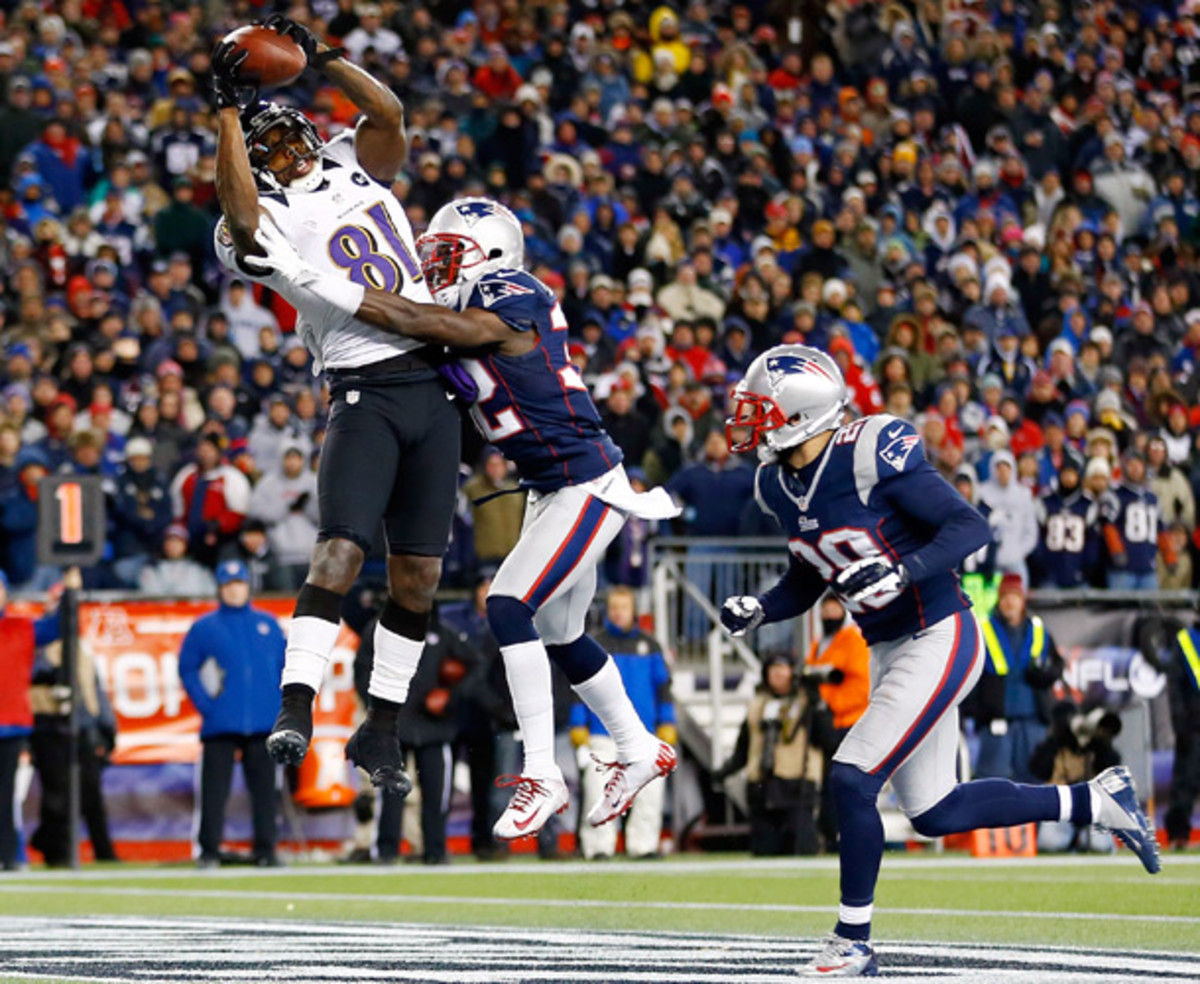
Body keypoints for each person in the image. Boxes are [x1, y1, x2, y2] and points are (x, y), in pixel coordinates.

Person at [718, 344, 1159, 977]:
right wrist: (761, 608)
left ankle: (853, 941)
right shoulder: (777, 483)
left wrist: (901, 570)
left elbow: (969, 526)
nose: (748, 420)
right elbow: (811, 570)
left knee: (850, 776)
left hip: (940, 630)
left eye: (759, 409)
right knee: (934, 812)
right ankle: (1095, 801)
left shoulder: (868, 452)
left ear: (798, 414)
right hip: (889, 646)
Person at [248, 197, 680, 841]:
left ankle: (541, 772)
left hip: (587, 482)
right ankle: (637, 745)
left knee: (507, 604)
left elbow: (414, 317)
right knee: (562, 633)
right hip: (548, 487)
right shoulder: (464, 302)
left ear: (494, 255)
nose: (434, 264)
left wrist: (308, 275)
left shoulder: (512, 292)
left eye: (449, 253)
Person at [210, 16, 462, 795]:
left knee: (419, 577)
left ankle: (381, 728)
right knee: (340, 553)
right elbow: (244, 219)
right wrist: (226, 111)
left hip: (434, 384)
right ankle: (297, 706)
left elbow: (389, 117)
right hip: (364, 392)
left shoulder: (357, 162)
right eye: (271, 148)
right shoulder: (256, 216)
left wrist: (323, 58)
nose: (290, 148)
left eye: (293, 135)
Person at [179, 560, 287, 868]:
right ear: (220, 589)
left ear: (247, 586)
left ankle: (266, 849)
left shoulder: (267, 624)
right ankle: (209, 850)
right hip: (220, 723)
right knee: (214, 792)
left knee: (266, 791)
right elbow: (188, 669)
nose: (234, 590)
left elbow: (284, 667)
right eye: (228, 585)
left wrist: (279, 705)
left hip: (264, 722)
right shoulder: (205, 627)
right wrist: (207, 706)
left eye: (238, 583)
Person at [352, 604, 477, 865]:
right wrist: (379, 708)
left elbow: (477, 665)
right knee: (389, 792)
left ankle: (435, 850)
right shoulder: (380, 629)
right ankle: (385, 850)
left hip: (435, 727)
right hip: (393, 726)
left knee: (436, 794)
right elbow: (362, 670)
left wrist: (451, 696)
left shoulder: (443, 633)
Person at [572, 586, 676, 860]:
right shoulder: (594, 643)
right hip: (601, 732)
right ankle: (597, 847)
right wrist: (577, 723)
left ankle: (643, 846)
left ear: (634, 611)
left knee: (650, 793)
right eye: (614, 607)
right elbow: (580, 686)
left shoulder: (651, 646)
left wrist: (668, 721)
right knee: (599, 790)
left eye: (624, 607)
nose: (619, 613)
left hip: (644, 733)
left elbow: (663, 686)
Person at [713, 654, 831, 856]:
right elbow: (744, 747)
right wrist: (724, 771)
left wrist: (817, 704)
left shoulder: (807, 702)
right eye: (773, 668)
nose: (777, 673)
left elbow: (826, 740)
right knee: (765, 850)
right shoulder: (757, 704)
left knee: (801, 849)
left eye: (783, 667)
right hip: (761, 785)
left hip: (797, 785)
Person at [969, 574, 1064, 783]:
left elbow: (1058, 666)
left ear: (1023, 600)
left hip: (1033, 722)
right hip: (996, 722)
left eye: (1014, 596)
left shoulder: (1038, 628)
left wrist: (1044, 674)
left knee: (1034, 783)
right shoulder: (983, 629)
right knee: (991, 785)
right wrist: (978, 711)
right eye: (1005, 597)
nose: (1009, 602)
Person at [0, 570, 62, 870]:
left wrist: (66, 599)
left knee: (6, 794)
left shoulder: (21, 627)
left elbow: (57, 628)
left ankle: (11, 855)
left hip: (11, 723)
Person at [804, 594, 871, 850]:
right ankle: (831, 833)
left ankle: (845, 833)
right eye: (826, 611)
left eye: (834, 610)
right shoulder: (820, 644)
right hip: (828, 721)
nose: (829, 616)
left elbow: (860, 685)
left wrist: (830, 704)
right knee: (831, 783)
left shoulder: (852, 641)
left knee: (845, 782)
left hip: (847, 721)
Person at [1100, 450, 1168, 591]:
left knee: (1149, 611)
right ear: (1124, 468)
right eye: (1131, 465)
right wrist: (1117, 550)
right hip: (1123, 569)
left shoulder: (1152, 498)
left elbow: (1161, 528)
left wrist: (1169, 555)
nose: (1135, 469)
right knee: (1120, 611)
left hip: (1148, 567)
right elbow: (1107, 525)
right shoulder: (1114, 495)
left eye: (1139, 465)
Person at [1166, 618, 1200, 850]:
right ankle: (1178, 835)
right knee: (1185, 781)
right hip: (1193, 723)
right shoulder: (1186, 639)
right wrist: (1179, 723)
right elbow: (1175, 687)